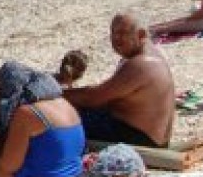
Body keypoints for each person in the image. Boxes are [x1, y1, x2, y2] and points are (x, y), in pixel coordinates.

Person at [62, 13, 176, 148]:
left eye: (123, 33)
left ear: (141, 35)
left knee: (61, 115)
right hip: (154, 137)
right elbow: (109, 92)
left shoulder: (140, 64)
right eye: (113, 33)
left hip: (139, 139)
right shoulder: (154, 56)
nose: (116, 39)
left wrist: (57, 94)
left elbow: (93, 98)